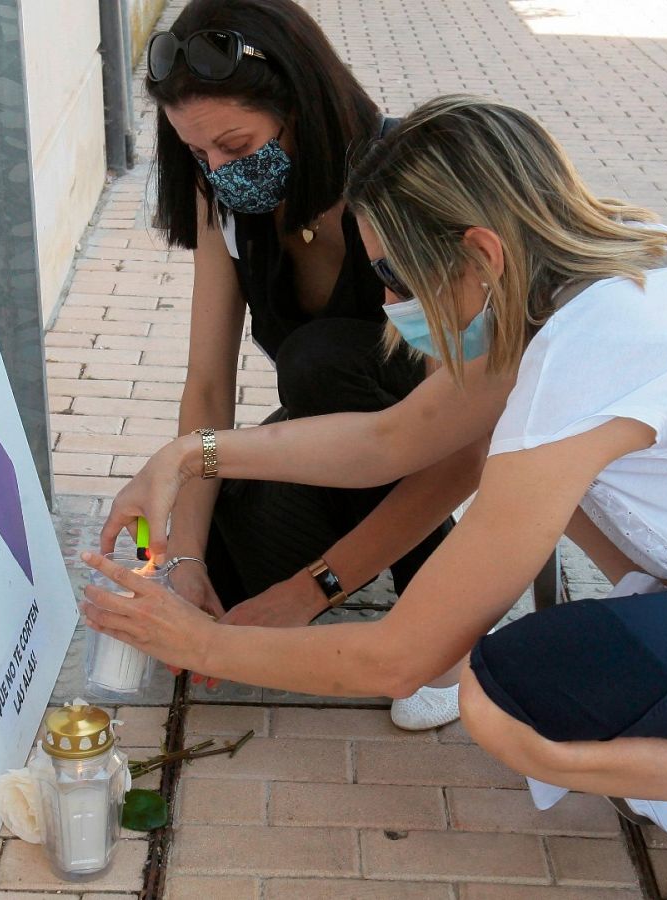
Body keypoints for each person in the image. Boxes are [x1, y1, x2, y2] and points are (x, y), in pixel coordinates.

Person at [80, 96, 667, 899]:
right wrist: (192, 455)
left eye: (393, 274)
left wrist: (206, 645)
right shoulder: (610, 267)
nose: (384, 303)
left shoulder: (596, 349)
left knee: (507, 700)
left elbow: (407, 654)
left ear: (483, 254)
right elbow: (395, 440)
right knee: (521, 475)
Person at [140, 0, 494, 727]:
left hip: (428, 436)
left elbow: (462, 447)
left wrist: (312, 590)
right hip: (336, 441)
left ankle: (442, 623)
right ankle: (376, 564)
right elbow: (207, 385)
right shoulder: (228, 203)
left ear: (300, 103)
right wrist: (183, 562)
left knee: (320, 360)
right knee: (227, 586)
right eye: (197, 154)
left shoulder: (401, 183)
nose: (218, 171)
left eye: (235, 146)